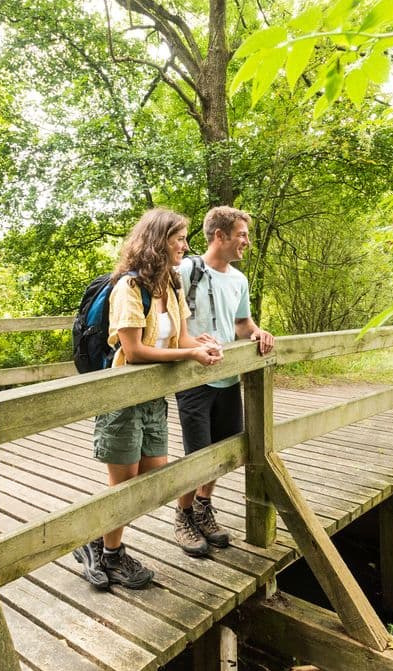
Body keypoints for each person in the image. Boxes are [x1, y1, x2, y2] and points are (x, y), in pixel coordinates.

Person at [74, 208, 223, 589]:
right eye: (179, 239)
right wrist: (188, 355)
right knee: (123, 484)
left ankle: (95, 539)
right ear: (159, 241)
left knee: (155, 478)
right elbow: (135, 350)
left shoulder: (171, 285)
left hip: (154, 398)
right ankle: (111, 555)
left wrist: (203, 344)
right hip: (122, 399)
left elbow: (180, 338)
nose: (185, 247)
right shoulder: (128, 288)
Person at [173, 206, 275, 556]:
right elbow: (168, 321)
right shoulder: (185, 270)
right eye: (242, 235)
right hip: (194, 378)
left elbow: (243, 325)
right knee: (197, 454)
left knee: (225, 450)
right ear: (220, 236)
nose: (247, 241)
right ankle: (183, 514)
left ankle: (203, 506)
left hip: (229, 378)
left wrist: (259, 333)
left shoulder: (239, 280)